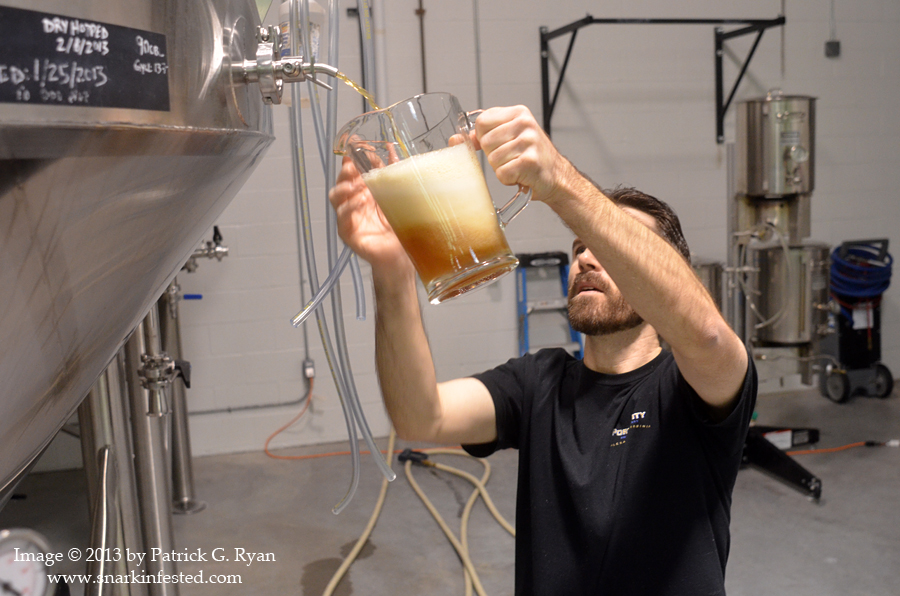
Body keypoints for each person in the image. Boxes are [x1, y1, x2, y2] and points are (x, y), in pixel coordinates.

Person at [329, 105, 757, 596]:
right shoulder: (540, 382)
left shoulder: (693, 385)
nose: (587, 257)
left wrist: (560, 183)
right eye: (579, 248)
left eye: (610, 249)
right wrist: (391, 271)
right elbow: (421, 417)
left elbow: (706, 334)